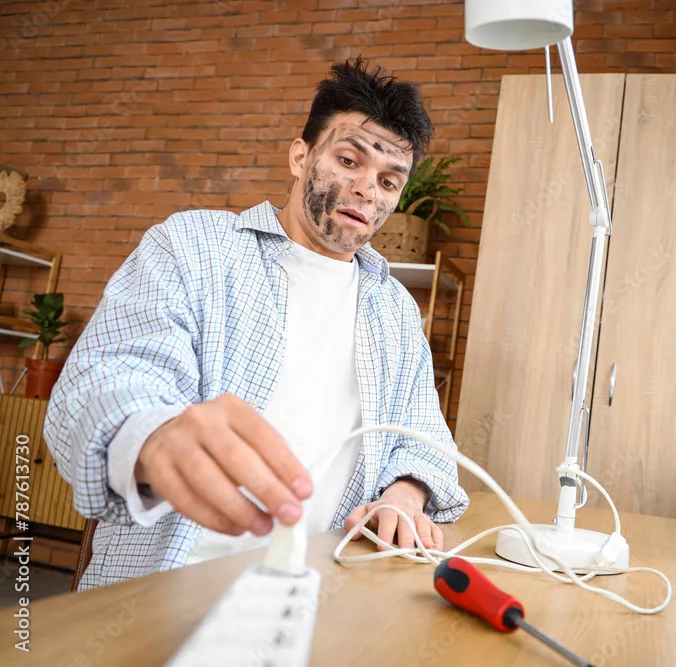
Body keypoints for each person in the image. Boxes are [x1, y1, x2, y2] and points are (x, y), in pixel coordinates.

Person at [44, 57, 470, 590]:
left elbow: (424, 436)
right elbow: (107, 377)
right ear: (300, 155)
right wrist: (153, 437)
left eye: (388, 180)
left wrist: (405, 493)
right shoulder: (193, 246)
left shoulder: (396, 310)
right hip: (162, 591)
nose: (368, 189)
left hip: (317, 594)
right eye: (348, 160)